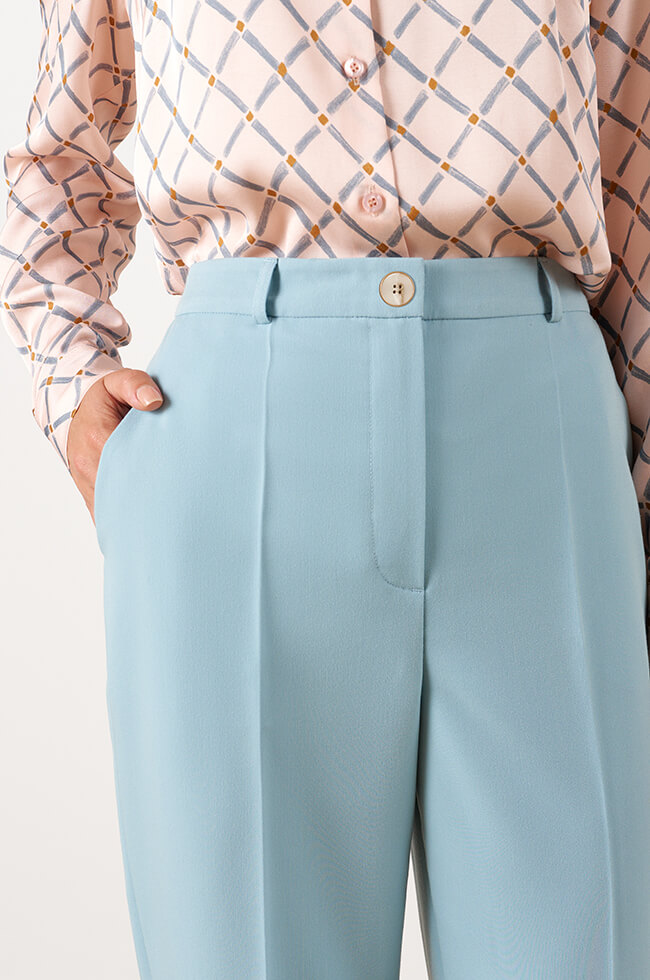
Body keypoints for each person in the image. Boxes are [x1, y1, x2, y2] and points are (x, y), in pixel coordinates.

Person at [1, 1, 649, 977]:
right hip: (235, 445)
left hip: (539, 441)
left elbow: (635, 157)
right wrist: (70, 381)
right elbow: (57, 156)